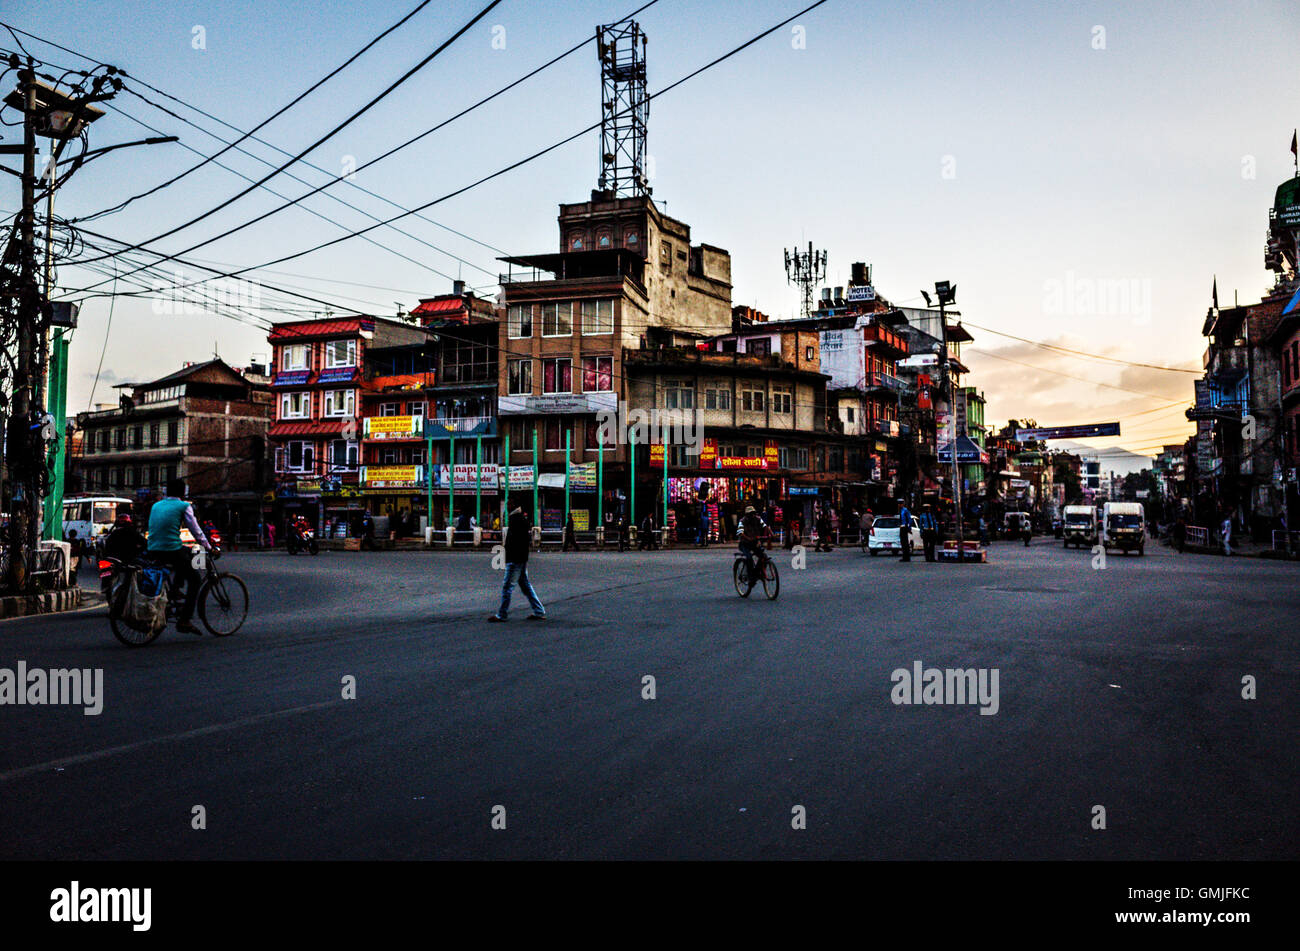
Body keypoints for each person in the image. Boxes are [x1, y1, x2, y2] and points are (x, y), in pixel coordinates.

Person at [146, 478, 213, 635]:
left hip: (152, 548)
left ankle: (175, 588)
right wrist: (209, 547)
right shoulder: (184, 506)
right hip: (170, 548)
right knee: (195, 578)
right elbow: (195, 530)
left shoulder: (156, 505)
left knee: (186, 554)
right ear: (183, 492)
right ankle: (185, 620)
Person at [489, 505, 545, 622]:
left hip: (515, 559)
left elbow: (514, 542)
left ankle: (502, 614)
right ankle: (539, 611)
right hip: (520, 558)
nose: (507, 505)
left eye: (509, 503)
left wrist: (510, 558)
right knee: (525, 586)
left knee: (507, 586)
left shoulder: (516, 520)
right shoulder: (519, 519)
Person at [737, 505, 774, 589]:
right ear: (747, 515)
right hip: (745, 544)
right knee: (749, 558)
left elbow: (765, 526)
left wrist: (771, 534)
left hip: (754, 543)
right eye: (750, 514)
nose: (752, 516)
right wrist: (748, 538)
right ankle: (750, 577)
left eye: (753, 514)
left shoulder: (758, 519)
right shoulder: (742, 521)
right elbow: (740, 532)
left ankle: (757, 573)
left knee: (763, 557)